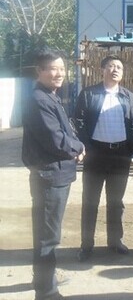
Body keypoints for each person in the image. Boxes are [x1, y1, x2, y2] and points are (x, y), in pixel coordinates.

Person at [22, 48, 85, 300]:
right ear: (39, 71)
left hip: (56, 175)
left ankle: (43, 279)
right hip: (49, 176)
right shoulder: (39, 100)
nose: (59, 73)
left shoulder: (50, 96)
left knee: (48, 233)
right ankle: (46, 292)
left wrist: (75, 145)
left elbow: (65, 131)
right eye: (52, 69)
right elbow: (56, 139)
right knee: (48, 237)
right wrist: (78, 148)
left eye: (62, 68)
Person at [74, 55, 133, 262]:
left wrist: (130, 149)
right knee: (90, 201)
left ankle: (115, 241)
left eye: (119, 67)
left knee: (116, 202)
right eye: (111, 66)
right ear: (102, 69)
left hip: (120, 155)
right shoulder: (89, 94)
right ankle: (86, 245)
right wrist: (87, 147)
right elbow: (78, 121)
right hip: (96, 154)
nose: (115, 69)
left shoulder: (128, 96)